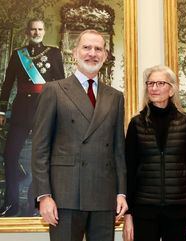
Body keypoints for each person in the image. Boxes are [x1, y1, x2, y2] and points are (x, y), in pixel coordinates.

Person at [31, 29, 128, 241]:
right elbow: (40, 148)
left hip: (104, 195)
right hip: (65, 195)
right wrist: (44, 196)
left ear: (104, 55)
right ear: (74, 53)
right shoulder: (54, 90)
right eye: (86, 47)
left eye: (98, 49)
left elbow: (118, 151)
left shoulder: (116, 97)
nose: (92, 53)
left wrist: (121, 193)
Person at [123, 65, 186, 241]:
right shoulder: (136, 124)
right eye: (150, 83)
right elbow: (129, 170)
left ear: (171, 89)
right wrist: (128, 214)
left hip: (180, 211)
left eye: (160, 83)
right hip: (144, 211)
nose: (154, 88)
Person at [0, 18, 65, 217]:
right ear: (27, 31)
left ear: (44, 31)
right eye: (33, 29)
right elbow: (7, 84)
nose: (36, 32)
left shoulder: (54, 53)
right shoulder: (18, 55)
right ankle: (11, 203)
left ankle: (35, 203)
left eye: (40, 29)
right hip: (21, 110)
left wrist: (61, 111)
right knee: (10, 154)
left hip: (45, 110)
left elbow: (60, 84)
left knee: (41, 158)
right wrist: (1, 110)